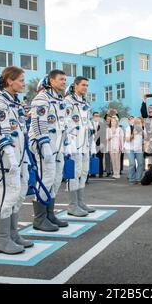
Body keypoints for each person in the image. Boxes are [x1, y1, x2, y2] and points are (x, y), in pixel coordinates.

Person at [0, 67, 33, 255]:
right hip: (5, 154)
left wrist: (24, 156)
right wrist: (11, 156)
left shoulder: (13, 103)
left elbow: (19, 131)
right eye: (21, 80)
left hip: (18, 153)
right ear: (9, 81)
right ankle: (2, 239)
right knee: (8, 193)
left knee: (19, 193)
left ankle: (13, 233)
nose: (23, 83)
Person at [29, 70, 70, 232]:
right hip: (43, 143)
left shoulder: (58, 99)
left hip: (57, 144)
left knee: (56, 178)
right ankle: (39, 219)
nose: (64, 82)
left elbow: (61, 123)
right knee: (46, 178)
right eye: (61, 79)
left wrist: (66, 143)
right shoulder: (42, 98)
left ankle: (49, 214)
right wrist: (44, 144)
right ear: (51, 81)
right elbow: (39, 123)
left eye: (65, 79)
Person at [64, 76, 97, 217]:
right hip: (74, 143)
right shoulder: (68, 101)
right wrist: (69, 142)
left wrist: (91, 138)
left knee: (83, 173)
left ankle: (81, 202)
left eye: (87, 85)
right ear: (75, 85)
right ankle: (72, 205)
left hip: (85, 143)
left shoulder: (85, 103)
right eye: (83, 85)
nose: (85, 87)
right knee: (74, 173)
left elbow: (87, 121)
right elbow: (65, 122)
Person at [125, 117, 146, 185]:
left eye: (140, 123)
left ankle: (138, 179)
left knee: (140, 163)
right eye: (137, 123)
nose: (138, 124)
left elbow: (145, 137)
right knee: (132, 164)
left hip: (138, 149)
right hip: (129, 148)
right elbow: (127, 140)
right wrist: (133, 134)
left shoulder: (143, 129)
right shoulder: (129, 128)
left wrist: (142, 131)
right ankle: (132, 179)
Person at [92, 112, 104, 178]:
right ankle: (93, 173)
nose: (97, 117)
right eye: (95, 116)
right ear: (93, 116)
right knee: (92, 158)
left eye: (98, 116)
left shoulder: (102, 124)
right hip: (92, 144)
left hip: (100, 144)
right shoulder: (90, 124)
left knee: (100, 159)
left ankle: (100, 173)